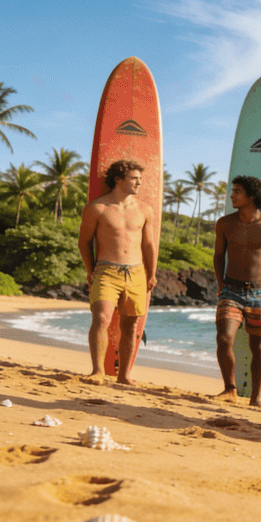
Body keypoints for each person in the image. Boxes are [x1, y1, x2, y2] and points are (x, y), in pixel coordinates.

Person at [213, 175, 261, 408]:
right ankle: (229, 388)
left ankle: (256, 398)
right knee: (224, 337)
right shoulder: (225, 223)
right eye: (233, 190)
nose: (232, 195)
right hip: (231, 289)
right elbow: (219, 256)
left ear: (252, 196)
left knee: (258, 347)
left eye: (237, 191)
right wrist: (220, 284)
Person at [77, 159, 157, 386]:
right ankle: (97, 371)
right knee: (101, 318)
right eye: (134, 179)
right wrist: (91, 270)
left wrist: (152, 274)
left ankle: (124, 375)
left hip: (136, 273)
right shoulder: (97, 208)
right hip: (106, 271)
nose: (139, 183)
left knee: (130, 326)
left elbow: (149, 245)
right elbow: (84, 242)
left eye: (141, 179)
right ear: (119, 179)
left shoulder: (144, 209)